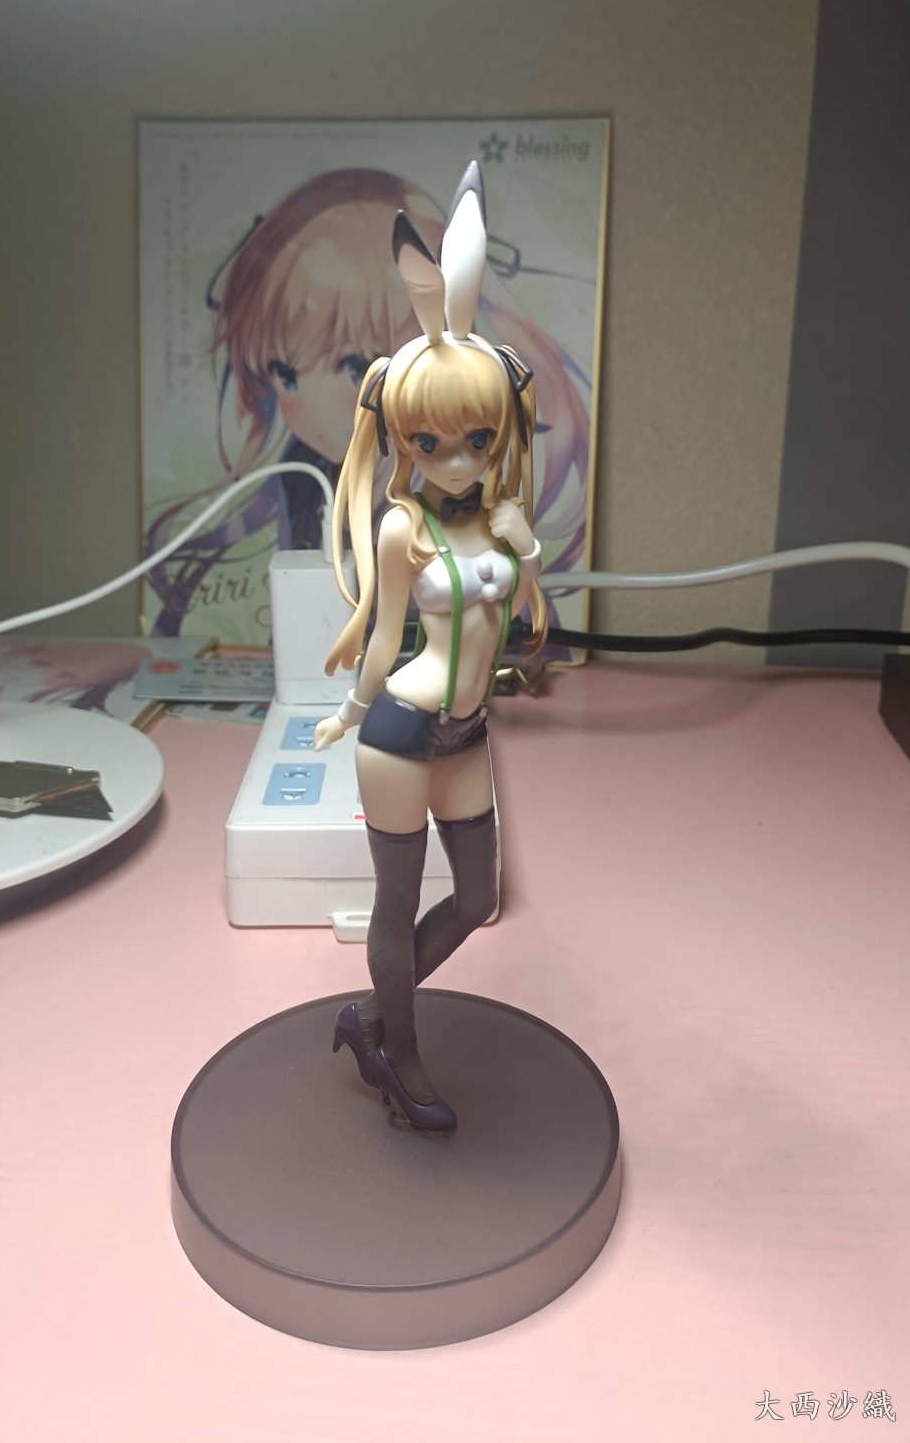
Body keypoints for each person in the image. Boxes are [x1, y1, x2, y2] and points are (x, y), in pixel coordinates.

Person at [315, 165, 544, 1131]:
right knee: (395, 902)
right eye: (430, 444)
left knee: (478, 897)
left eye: (476, 440)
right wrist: (350, 712)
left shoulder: (500, 520)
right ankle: (401, 1059)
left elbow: (517, 619)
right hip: (402, 732)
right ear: (403, 440)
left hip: (468, 734)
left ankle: (372, 1018)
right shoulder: (404, 528)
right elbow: (383, 638)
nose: (454, 461)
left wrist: (529, 561)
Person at [145, 166, 588, 639]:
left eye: (358, 367)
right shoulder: (303, 484)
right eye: (285, 374)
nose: (321, 409)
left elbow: (507, 615)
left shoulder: (453, 482)